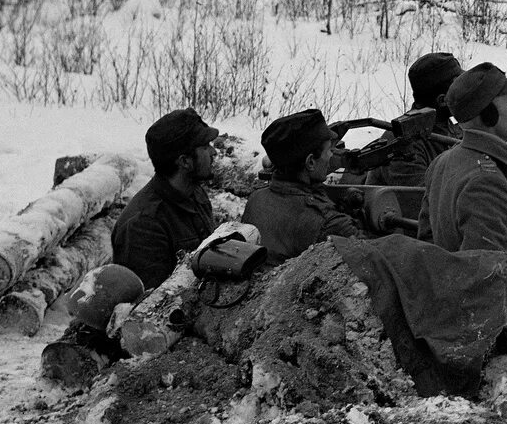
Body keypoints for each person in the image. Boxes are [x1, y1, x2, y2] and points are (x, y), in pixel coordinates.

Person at [418, 62, 507, 253]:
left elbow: (428, 245)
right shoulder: (487, 181)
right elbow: (485, 273)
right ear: (489, 114)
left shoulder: (442, 161)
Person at [111, 108, 218, 291]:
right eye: (205, 146)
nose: (213, 152)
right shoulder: (143, 226)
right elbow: (151, 306)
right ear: (184, 162)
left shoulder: (195, 192)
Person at [243, 109, 360, 266]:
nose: (332, 156)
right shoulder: (326, 223)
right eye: (329, 151)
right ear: (310, 162)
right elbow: (373, 258)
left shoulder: (256, 198)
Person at [365, 52, 464, 188]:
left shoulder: (449, 125)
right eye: (461, 89)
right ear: (442, 100)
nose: (468, 92)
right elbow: (425, 199)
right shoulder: (402, 145)